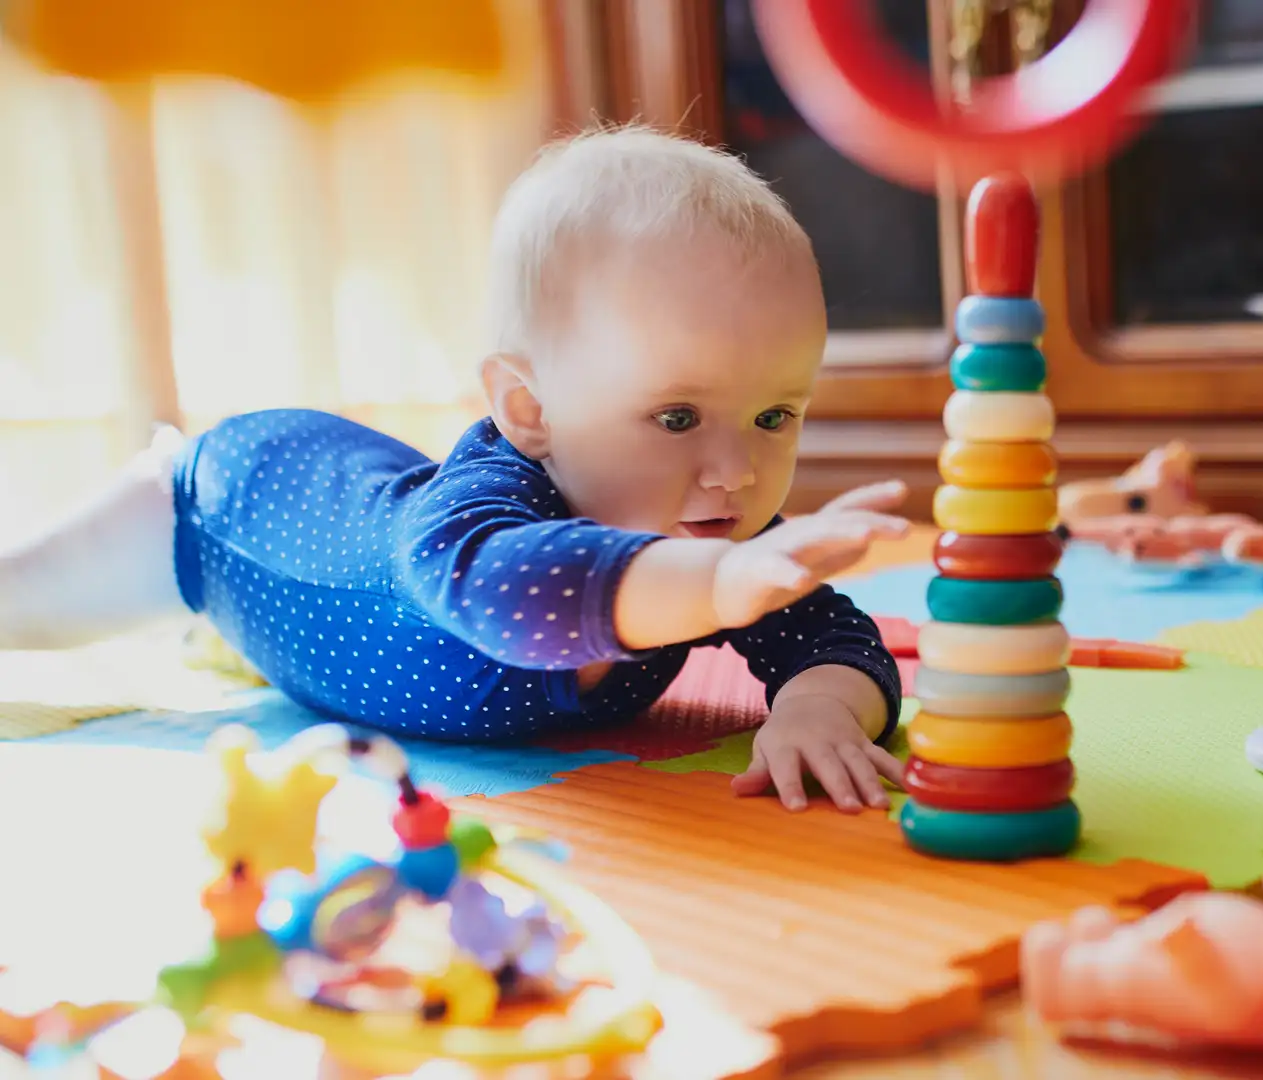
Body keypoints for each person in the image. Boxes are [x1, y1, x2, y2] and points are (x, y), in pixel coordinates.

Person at [0, 124, 913, 814]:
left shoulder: (714, 537)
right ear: (530, 411)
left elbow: (840, 641)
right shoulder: (478, 529)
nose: (737, 471)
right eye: (677, 417)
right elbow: (508, 595)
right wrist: (717, 585)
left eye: (774, 416)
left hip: (362, 491)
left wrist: (819, 708)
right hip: (226, 504)